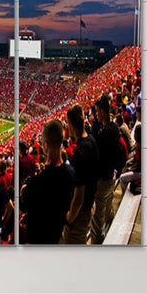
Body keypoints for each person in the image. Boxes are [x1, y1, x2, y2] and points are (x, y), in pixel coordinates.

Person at [20, 119, 75, 244]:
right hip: (58, 236)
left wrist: (23, 190)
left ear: (46, 144)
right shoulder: (71, 173)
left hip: (39, 242)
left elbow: (24, 206)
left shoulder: (36, 183)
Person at [90, 95, 126, 244]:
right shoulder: (112, 128)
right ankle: (111, 226)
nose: (96, 114)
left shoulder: (106, 132)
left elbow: (99, 157)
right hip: (110, 176)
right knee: (108, 206)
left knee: (97, 216)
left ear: (103, 111)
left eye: (97, 111)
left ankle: (98, 243)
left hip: (104, 178)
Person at [62, 105, 98, 245]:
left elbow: (79, 196)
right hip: (89, 205)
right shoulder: (92, 140)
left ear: (70, 124)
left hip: (80, 213)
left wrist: (69, 219)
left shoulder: (79, 152)